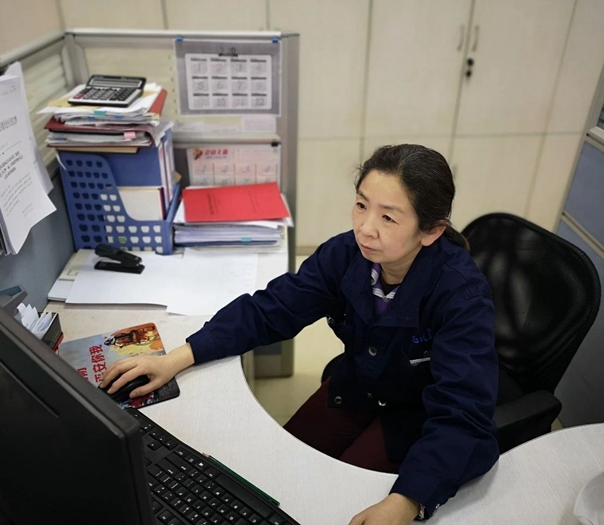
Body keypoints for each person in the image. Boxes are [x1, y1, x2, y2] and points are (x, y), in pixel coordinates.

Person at [101, 144, 499, 524]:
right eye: (361, 205)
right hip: (358, 387)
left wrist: (408, 501)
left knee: (338, 501)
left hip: (417, 416)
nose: (365, 229)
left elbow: (462, 413)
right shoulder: (345, 255)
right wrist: (176, 358)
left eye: (388, 218)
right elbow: (272, 308)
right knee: (276, 479)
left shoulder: (462, 296)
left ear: (431, 231)